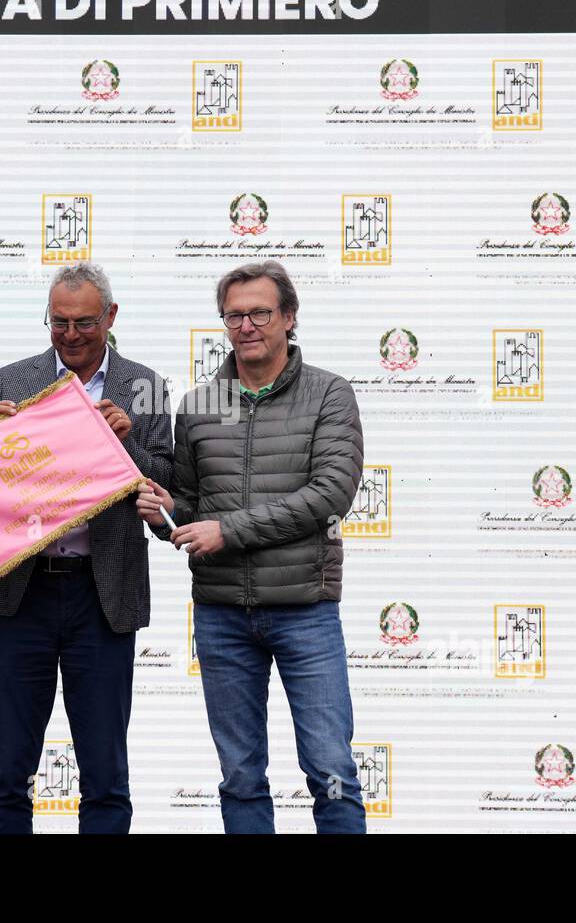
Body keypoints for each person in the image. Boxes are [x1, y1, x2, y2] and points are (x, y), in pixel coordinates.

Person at [137, 260, 367, 833]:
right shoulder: (197, 406)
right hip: (220, 616)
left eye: (260, 312)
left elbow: (330, 495)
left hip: (305, 612)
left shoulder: (329, 395)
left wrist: (227, 530)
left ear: (289, 317)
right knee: (240, 777)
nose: (247, 325)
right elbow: (191, 507)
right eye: (234, 315)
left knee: (332, 772)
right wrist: (164, 515)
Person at [0, 261, 172, 834]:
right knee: (8, 769)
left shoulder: (145, 387)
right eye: (58, 322)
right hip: (20, 593)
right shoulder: (11, 382)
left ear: (110, 316)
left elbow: (169, 490)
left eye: (84, 323)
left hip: (102, 596)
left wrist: (127, 444)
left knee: (105, 774)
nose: (70, 335)